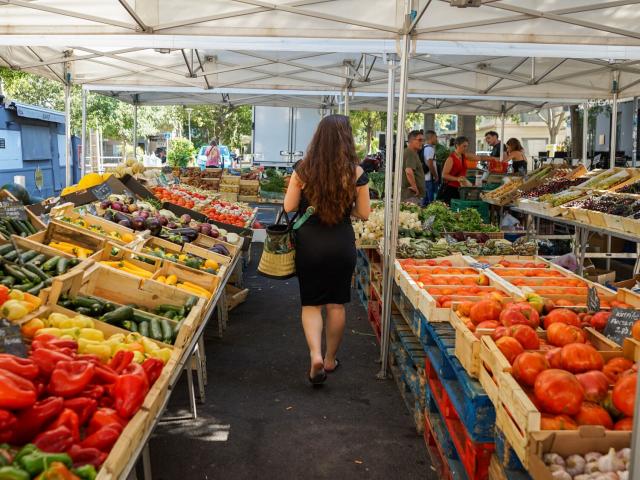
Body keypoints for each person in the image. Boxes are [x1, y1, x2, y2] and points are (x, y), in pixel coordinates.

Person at [283, 114, 370, 386]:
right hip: (341, 242)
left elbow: (288, 207)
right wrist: (345, 209)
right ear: (347, 138)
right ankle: (331, 359)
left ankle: (315, 355)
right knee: (336, 305)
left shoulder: (302, 169)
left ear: (318, 137)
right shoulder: (356, 172)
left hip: (310, 243)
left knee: (311, 304)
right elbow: (365, 213)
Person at [439, 136, 478, 204]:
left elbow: (479, 157)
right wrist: (457, 179)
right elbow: (444, 175)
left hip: (460, 189)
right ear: (457, 145)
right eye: (464, 146)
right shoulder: (451, 158)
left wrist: (494, 159)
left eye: (467, 146)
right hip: (451, 189)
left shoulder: (463, 156)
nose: (466, 148)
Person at [401, 130, 426, 203]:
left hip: (409, 195)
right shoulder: (410, 152)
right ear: (411, 140)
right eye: (420, 140)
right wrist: (414, 187)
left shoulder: (409, 152)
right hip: (411, 195)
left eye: (423, 140)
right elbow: (408, 171)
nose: (422, 142)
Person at [421, 130, 439, 206]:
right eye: (436, 137)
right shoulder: (430, 149)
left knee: (425, 202)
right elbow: (430, 164)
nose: (436, 139)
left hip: (425, 178)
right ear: (431, 137)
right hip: (429, 179)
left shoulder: (424, 148)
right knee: (431, 203)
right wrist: (436, 176)